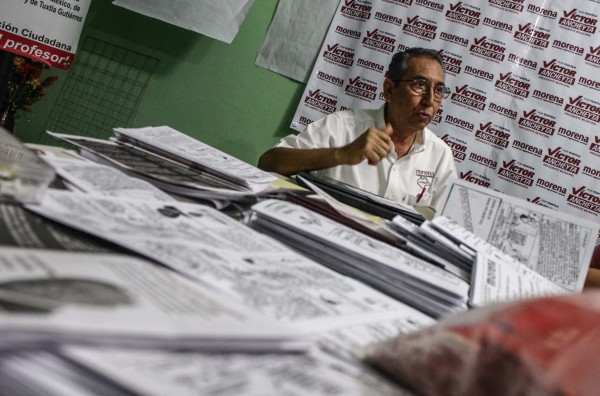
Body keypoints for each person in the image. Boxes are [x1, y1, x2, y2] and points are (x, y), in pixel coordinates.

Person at [258, 47, 457, 209]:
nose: (430, 100)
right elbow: (269, 162)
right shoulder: (342, 126)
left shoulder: (440, 155)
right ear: (389, 90)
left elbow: (445, 227)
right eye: (419, 85)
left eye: (439, 90)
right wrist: (341, 154)